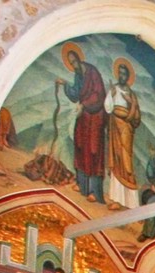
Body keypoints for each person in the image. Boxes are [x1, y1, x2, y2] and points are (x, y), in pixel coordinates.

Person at [56, 44, 107, 203]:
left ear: (79, 59)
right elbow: (75, 94)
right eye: (70, 63)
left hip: (95, 118)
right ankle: (81, 184)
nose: (73, 65)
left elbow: (99, 96)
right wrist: (65, 84)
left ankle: (94, 191)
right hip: (84, 117)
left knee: (93, 151)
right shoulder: (78, 75)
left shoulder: (92, 72)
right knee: (80, 146)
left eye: (74, 61)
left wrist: (84, 104)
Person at [103, 59, 142, 210]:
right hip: (115, 126)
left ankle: (131, 202)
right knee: (117, 159)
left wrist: (131, 104)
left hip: (127, 129)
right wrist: (112, 95)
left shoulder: (132, 95)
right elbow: (108, 108)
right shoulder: (114, 90)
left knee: (127, 163)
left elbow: (137, 118)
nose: (122, 76)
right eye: (120, 73)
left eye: (125, 74)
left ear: (128, 77)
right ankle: (116, 199)